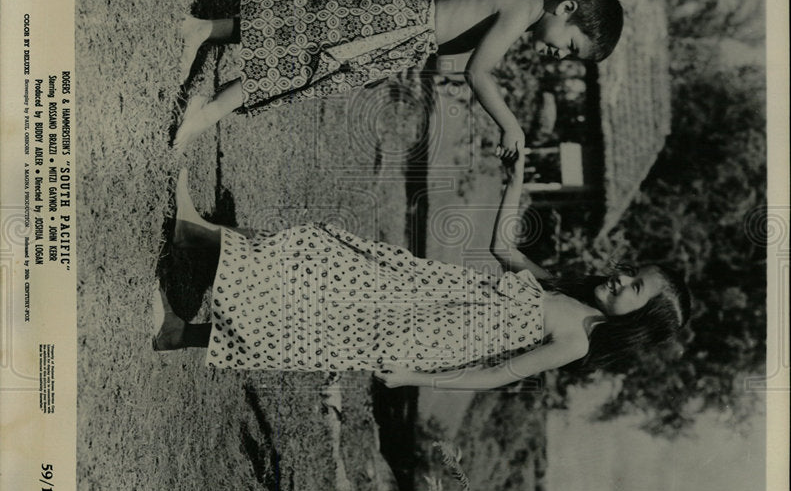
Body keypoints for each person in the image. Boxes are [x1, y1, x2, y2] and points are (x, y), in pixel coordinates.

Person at [154, 151, 688, 390]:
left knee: (315, 327)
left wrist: (413, 377)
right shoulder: (564, 290)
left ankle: (179, 328)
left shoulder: (577, 340)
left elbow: (494, 376)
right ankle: (195, 235)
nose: (620, 277)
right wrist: (516, 178)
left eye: (633, 287)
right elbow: (503, 246)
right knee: (325, 258)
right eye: (630, 270)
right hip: (416, 289)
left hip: (423, 336)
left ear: (638, 319)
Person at [172, 0, 623, 158]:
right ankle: (204, 108)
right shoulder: (520, 10)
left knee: (307, 42)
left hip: (401, 37)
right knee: (306, 56)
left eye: (570, 58)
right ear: (565, 7)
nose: (560, 57)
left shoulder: (522, 14)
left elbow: (452, 51)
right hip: (397, 27)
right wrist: (509, 125)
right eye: (569, 46)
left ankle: (205, 35)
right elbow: (478, 74)